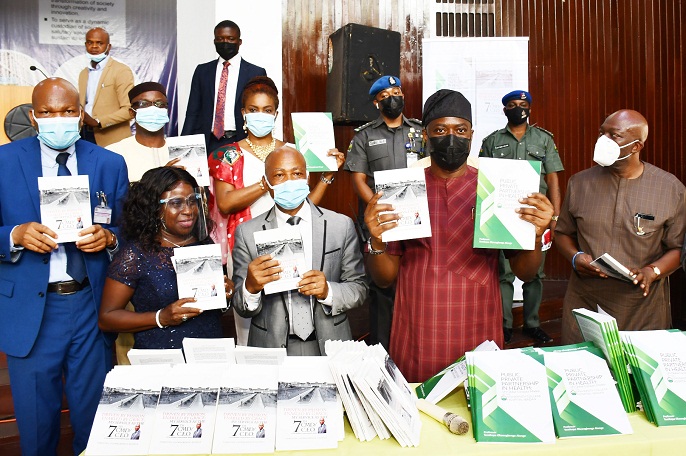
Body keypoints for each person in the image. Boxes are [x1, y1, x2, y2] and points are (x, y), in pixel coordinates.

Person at [364, 89, 554, 382]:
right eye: (440, 130)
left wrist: (535, 235)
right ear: (426, 136)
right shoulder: (404, 190)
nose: (451, 138)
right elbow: (384, 279)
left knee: (476, 396)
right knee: (418, 404)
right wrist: (376, 241)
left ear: (471, 136)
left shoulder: (495, 189)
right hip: (417, 328)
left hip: (477, 323)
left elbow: (525, 272)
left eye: (460, 130)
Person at [0, 77, 129, 456]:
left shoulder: (109, 163)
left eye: (68, 111)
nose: (59, 119)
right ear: (33, 116)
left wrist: (110, 238)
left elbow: (128, 230)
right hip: (30, 310)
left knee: (95, 422)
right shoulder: (4, 162)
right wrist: (14, 234)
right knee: (37, 428)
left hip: (90, 305)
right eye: (48, 112)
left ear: (81, 113)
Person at [209, 76, 344, 346]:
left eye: (267, 110)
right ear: (243, 113)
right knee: (250, 320)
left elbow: (306, 203)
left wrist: (327, 177)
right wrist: (268, 182)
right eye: (254, 109)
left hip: (296, 240)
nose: (261, 115)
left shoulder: (293, 151)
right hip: (247, 246)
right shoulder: (227, 154)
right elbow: (225, 203)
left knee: (293, 311)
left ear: (275, 113)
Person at [555, 109, 686, 343]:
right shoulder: (579, 183)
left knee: (638, 366)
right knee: (584, 364)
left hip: (643, 310)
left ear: (636, 146)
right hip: (585, 304)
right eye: (601, 133)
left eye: (614, 135)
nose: (603, 140)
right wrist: (575, 258)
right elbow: (562, 233)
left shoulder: (670, 189)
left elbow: (678, 249)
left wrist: (652, 272)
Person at [232, 147, 368, 356]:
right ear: (267, 182)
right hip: (271, 348)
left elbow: (359, 288)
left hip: (330, 346)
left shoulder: (340, 226)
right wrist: (250, 288)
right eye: (279, 175)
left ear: (307, 177)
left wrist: (328, 291)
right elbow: (241, 307)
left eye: (296, 173)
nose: (289, 181)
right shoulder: (247, 233)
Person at [99, 167, 234, 350]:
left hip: (209, 352)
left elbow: (212, 308)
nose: (188, 210)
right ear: (154, 207)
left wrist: (225, 295)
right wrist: (161, 317)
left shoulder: (204, 244)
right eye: (176, 203)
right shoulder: (136, 254)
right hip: (162, 356)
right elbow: (107, 318)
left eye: (192, 201)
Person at [343, 75, 423, 350]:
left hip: (418, 219)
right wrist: (380, 208)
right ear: (377, 103)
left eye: (396, 92)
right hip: (382, 222)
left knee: (416, 281)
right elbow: (358, 181)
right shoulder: (364, 136)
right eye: (385, 96)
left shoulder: (420, 131)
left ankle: (413, 346)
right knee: (382, 288)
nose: (393, 98)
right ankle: (381, 350)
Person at [479, 90, 564, 344]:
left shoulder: (544, 139)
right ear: (505, 110)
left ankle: (532, 324)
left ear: (530, 109)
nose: (518, 108)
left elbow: (553, 179)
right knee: (503, 273)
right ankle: (504, 325)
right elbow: (483, 178)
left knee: (535, 273)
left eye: (523, 104)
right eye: (513, 105)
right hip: (503, 216)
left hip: (535, 218)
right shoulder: (492, 141)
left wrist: (555, 218)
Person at [182, 20, 267, 153]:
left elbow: (261, 113)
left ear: (239, 41)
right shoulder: (202, 71)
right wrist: (183, 147)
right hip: (208, 142)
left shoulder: (255, 73)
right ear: (214, 41)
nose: (225, 42)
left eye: (230, 39)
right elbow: (192, 112)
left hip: (241, 141)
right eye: (220, 39)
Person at [108, 82, 179, 182]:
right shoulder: (115, 153)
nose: (153, 109)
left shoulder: (181, 149)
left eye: (160, 104)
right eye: (144, 104)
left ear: (167, 110)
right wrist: (162, 178)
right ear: (132, 113)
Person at [78, 27, 134, 146]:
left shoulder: (121, 71)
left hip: (112, 138)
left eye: (99, 43)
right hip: (84, 134)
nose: (94, 46)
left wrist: (98, 122)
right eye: (90, 43)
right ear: (85, 45)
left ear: (108, 47)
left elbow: (129, 110)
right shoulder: (83, 73)